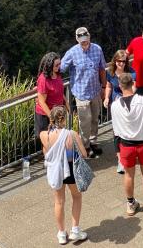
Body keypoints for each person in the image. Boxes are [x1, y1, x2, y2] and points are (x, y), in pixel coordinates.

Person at [111, 72, 143, 218]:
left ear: (120, 86)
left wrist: (116, 150)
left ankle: (131, 204)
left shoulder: (114, 106)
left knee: (128, 175)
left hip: (125, 146)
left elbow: (115, 131)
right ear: (133, 83)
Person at [40, 106, 88, 245]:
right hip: (71, 169)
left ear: (51, 119)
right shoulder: (72, 134)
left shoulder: (44, 135)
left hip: (56, 171)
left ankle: (61, 233)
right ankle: (75, 230)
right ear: (64, 119)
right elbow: (84, 154)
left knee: (59, 202)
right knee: (77, 197)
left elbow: (46, 152)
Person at [60, 27, 107, 158]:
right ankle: (85, 146)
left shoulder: (97, 49)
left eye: (86, 40)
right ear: (77, 40)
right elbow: (60, 68)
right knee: (84, 122)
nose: (84, 43)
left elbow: (102, 69)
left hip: (95, 91)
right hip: (81, 93)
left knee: (95, 118)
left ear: (89, 37)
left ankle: (93, 141)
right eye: (82, 41)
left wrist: (104, 87)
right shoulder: (72, 53)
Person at [103, 50, 136, 174]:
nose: (121, 64)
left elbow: (134, 88)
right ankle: (120, 160)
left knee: (128, 130)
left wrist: (128, 96)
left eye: (124, 61)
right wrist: (106, 97)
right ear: (115, 61)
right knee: (117, 132)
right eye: (119, 61)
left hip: (128, 103)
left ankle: (129, 154)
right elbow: (109, 86)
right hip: (115, 105)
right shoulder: (110, 73)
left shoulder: (131, 72)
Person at [35, 52, 69, 143]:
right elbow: (42, 102)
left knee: (57, 139)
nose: (59, 66)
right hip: (45, 115)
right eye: (56, 65)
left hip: (57, 113)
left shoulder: (57, 75)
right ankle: (47, 156)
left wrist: (66, 104)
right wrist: (51, 117)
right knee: (47, 140)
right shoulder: (43, 79)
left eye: (59, 64)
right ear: (50, 66)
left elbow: (60, 91)